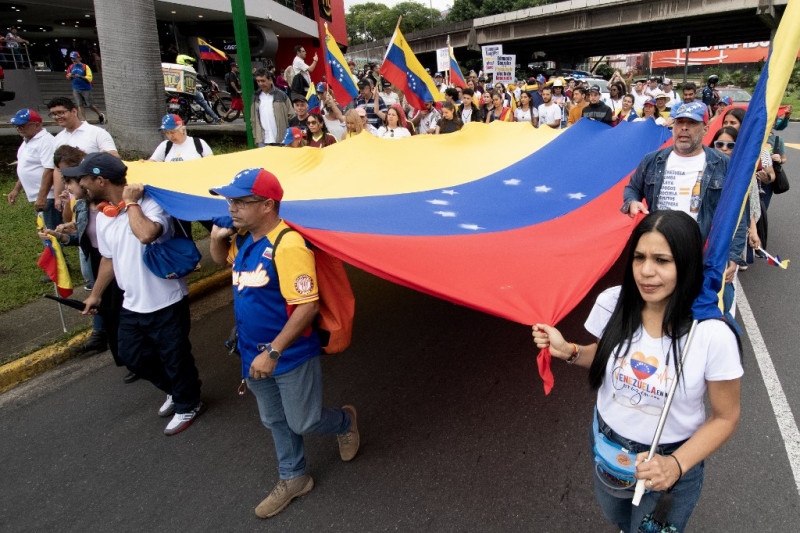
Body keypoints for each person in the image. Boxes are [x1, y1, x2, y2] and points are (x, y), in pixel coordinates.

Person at [533, 209, 742, 532]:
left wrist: (675, 465)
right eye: (639, 257)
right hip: (606, 446)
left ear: (685, 264)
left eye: (662, 260)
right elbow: (604, 357)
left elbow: (725, 417)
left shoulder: (712, 335)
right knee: (617, 518)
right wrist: (569, 351)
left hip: (668, 462)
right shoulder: (612, 302)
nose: (646, 271)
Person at [207, 168, 360, 518]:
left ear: (267, 205)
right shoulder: (244, 238)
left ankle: (344, 421)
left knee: (303, 421)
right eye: (230, 200)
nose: (231, 208)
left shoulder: (287, 244)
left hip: (287, 354)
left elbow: (307, 306)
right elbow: (221, 260)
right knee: (275, 419)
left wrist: (273, 352)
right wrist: (217, 238)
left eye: (241, 202)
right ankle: (293, 477)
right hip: (251, 352)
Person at [69, 153, 205, 436]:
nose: (79, 183)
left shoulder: (152, 205)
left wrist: (131, 203)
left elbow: (146, 234)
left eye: (83, 178)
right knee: (132, 356)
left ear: (100, 180)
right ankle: (173, 390)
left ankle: (188, 403)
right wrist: (96, 294)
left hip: (166, 300)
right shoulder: (104, 213)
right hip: (132, 303)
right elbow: (108, 258)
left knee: (175, 357)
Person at [622, 101, 747, 323]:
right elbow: (632, 189)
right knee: (660, 310)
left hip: (703, 254)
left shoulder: (722, 165)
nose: (684, 129)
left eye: (692, 123)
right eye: (680, 123)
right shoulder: (653, 160)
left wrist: (733, 256)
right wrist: (632, 203)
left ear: (706, 128)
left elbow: (737, 214)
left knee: (712, 311)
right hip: (660, 252)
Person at [42, 146, 128, 372]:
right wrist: (59, 236)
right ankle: (125, 358)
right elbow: (83, 240)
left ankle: (136, 356)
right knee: (109, 313)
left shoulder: (112, 206)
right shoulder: (81, 206)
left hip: (118, 263)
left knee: (122, 311)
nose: (69, 188)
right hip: (97, 261)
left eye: (71, 182)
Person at [47, 96, 119, 201]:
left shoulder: (97, 133)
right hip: (72, 195)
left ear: (74, 111)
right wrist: (57, 197)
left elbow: (115, 157)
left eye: (61, 112)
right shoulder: (57, 139)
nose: (57, 117)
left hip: (97, 192)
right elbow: (58, 170)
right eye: (53, 114)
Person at [6, 109, 59, 229]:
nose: (19, 128)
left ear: (36, 125)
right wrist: (16, 189)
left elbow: (49, 169)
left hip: (48, 197)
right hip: (39, 196)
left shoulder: (46, 141)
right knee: (44, 230)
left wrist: (42, 197)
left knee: (50, 233)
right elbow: (26, 167)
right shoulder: (27, 141)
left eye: (22, 125)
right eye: (16, 126)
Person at [252, 68, 293, 147]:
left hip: (280, 139)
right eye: (258, 81)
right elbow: (253, 119)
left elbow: (291, 115)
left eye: (263, 81)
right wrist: (255, 136)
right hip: (263, 140)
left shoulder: (281, 95)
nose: (260, 84)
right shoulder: (255, 97)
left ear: (270, 80)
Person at [174, 54, 221, 124]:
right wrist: (210, 83)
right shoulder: (188, 69)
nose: (189, 63)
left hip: (178, 90)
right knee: (203, 102)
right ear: (184, 61)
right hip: (189, 89)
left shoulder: (175, 69)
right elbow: (200, 77)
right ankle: (216, 118)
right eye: (188, 61)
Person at [66, 51, 106, 124]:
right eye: (72, 58)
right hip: (76, 88)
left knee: (90, 105)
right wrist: (70, 76)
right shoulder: (70, 67)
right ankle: (84, 120)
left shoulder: (85, 66)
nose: (73, 60)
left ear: (79, 58)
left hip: (86, 88)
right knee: (79, 104)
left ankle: (100, 114)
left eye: (74, 58)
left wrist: (80, 76)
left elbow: (90, 78)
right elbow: (67, 76)